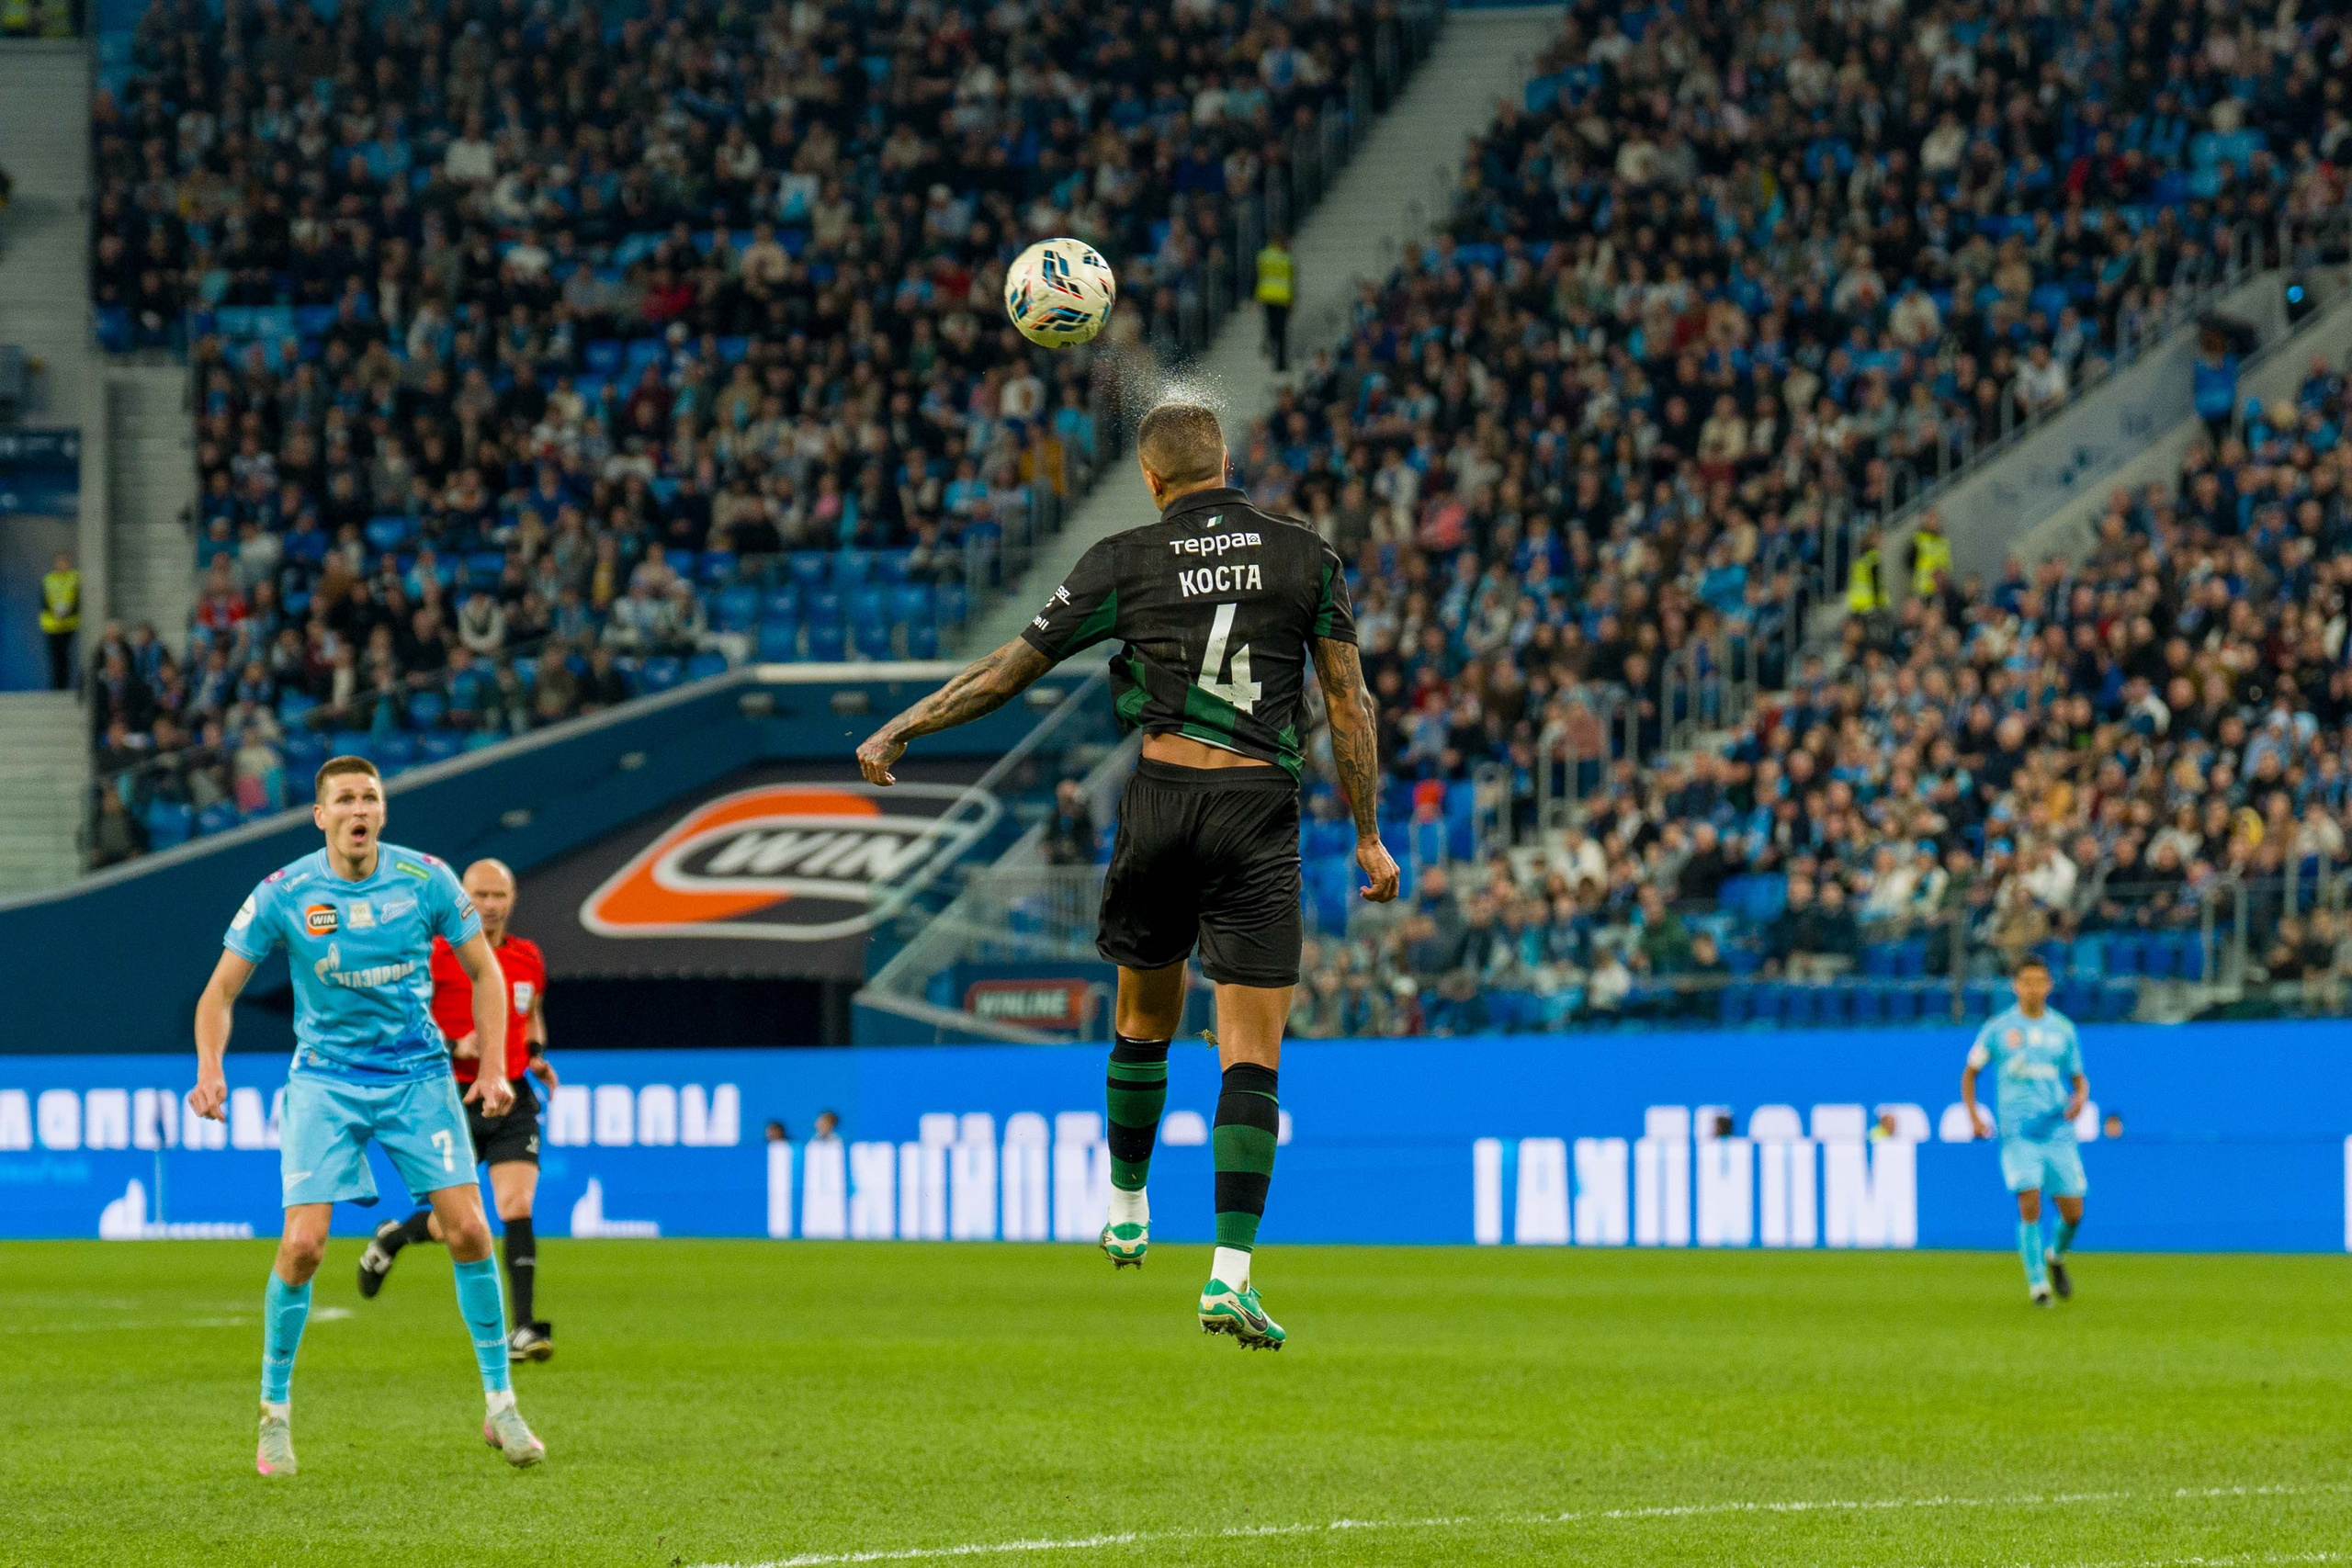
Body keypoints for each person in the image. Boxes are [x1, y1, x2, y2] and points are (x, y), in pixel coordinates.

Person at [855, 401, 1398, 1349]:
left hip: (1159, 804)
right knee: (1249, 1055)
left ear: (1151, 481)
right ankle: (1229, 1274)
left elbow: (1004, 674)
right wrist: (1368, 838)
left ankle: (1127, 1206)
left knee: (1143, 1021)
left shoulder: (1123, 559)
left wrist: (905, 724)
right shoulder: (1305, 555)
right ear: (1225, 462)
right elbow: (1348, 705)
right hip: (1254, 812)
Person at [188, 755, 545, 1475]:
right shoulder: (284, 892)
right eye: (344, 798)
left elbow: (487, 971)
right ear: (321, 815)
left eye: (369, 797)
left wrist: (498, 1067)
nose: (358, 808)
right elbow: (219, 992)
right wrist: (210, 1068)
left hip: (418, 1077)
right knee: (303, 1247)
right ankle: (273, 1415)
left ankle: (500, 1403)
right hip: (324, 1082)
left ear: (383, 812)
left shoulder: (427, 880)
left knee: (472, 1228)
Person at [356, 859, 558, 1364]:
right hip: (448, 1101)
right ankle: (398, 1236)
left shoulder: (528, 958)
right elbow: (399, 1021)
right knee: (459, 1227)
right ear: (461, 898)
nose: (490, 905)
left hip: (509, 1097)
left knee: (516, 1207)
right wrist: (452, 1044)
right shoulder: (435, 955)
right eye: (480, 895)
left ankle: (525, 1328)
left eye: (499, 895)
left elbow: (529, 1013)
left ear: (511, 899)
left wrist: (534, 1055)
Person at [1960, 954, 2089, 1307]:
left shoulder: (2063, 1029)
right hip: (2018, 1133)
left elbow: (2079, 1079)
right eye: (2026, 981)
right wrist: (1974, 1116)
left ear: (2048, 986)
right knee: (2028, 1200)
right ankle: (2038, 1286)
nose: (2033, 988)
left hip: (2057, 1132)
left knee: (2073, 1213)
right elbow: (1970, 1073)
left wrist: (2079, 1099)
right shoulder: (1998, 1029)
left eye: (2039, 981)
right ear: (2016, 986)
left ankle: (2055, 1256)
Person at [1255, 231, 1295, 373]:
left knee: (1271, 328)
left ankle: (1268, 345)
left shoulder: (1263, 256)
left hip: (1267, 297)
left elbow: (1257, 276)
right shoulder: (1287, 258)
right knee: (1281, 332)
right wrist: (1291, 301)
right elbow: (1291, 281)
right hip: (1282, 298)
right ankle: (1280, 363)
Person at [40, 550, 80, 692]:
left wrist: (67, 611)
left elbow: (78, 601)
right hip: (51, 625)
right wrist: (55, 612)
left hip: (68, 625)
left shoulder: (75, 578)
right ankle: (56, 688)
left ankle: (64, 687)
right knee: (54, 658)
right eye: (59, 562)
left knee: (65, 657)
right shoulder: (48, 579)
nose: (62, 565)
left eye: (64, 562)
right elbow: (43, 602)